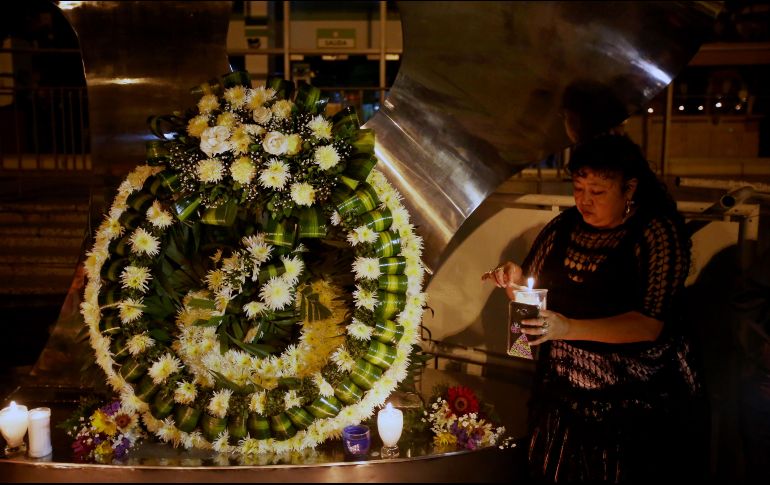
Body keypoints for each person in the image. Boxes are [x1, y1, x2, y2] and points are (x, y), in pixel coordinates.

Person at [482, 134, 708, 483]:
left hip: (631, 404)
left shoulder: (655, 234)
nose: (585, 201)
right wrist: (513, 282)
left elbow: (649, 325)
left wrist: (567, 328)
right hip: (563, 397)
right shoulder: (563, 228)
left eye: (598, 192)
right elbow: (531, 295)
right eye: (578, 188)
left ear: (629, 189)